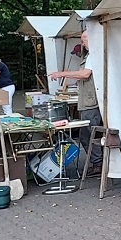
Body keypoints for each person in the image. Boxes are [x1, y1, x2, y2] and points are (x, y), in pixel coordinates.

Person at [49, 31, 102, 176]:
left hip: (91, 101)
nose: (82, 43)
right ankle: (98, 162)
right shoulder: (89, 55)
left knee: (90, 133)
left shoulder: (93, 55)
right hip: (88, 100)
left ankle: (99, 164)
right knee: (87, 134)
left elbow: (85, 74)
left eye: (83, 40)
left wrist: (61, 74)